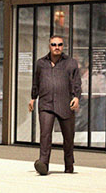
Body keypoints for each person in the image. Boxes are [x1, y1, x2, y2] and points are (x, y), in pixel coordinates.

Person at [31, 33, 82, 176]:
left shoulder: (71, 63)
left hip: (65, 103)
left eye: (59, 45)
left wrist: (77, 97)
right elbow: (36, 82)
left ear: (63, 46)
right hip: (46, 104)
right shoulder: (41, 63)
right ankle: (43, 164)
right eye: (54, 45)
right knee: (45, 134)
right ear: (49, 46)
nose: (57, 47)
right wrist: (33, 98)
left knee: (68, 136)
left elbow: (77, 82)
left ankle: (69, 164)